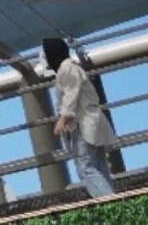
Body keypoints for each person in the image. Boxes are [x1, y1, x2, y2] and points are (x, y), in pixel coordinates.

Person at [44, 38, 119, 198]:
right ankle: (112, 200)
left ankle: (109, 201)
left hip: (83, 123)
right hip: (92, 120)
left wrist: (63, 119)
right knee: (98, 165)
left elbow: (71, 94)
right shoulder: (73, 68)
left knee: (85, 167)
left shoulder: (67, 69)